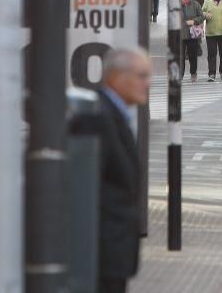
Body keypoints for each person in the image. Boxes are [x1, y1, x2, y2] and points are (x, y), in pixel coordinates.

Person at [97, 47, 150, 293]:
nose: (148, 83)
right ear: (117, 77)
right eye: (141, 76)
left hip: (114, 253)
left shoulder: (115, 113)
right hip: (101, 254)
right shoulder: (99, 117)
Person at [179, 0, 204, 81]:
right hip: (180, 34)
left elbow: (201, 16)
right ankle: (180, 75)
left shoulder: (195, 4)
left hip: (192, 34)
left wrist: (194, 21)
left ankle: (193, 73)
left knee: (192, 55)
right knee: (180, 57)